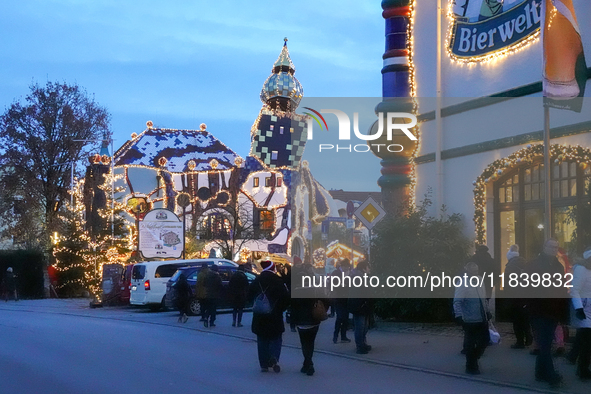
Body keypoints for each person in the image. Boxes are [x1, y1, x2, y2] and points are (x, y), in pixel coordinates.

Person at [525, 239, 569, 388]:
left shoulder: (557, 265)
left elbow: (561, 286)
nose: (553, 249)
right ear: (544, 247)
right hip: (538, 310)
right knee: (544, 343)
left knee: (547, 342)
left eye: (555, 247)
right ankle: (551, 375)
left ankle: (540, 373)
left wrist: (562, 307)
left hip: (553, 310)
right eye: (550, 246)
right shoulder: (534, 264)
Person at [249, 260, 290, 373]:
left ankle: (263, 364)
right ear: (273, 269)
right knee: (276, 338)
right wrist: (280, 309)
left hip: (259, 316)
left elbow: (249, 295)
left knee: (262, 340)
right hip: (274, 316)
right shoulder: (277, 281)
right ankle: (274, 357)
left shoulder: (257, 280)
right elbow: (285, 298)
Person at [453, 262, 491, 375]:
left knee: (485, 340)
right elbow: (457, 301)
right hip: (469, 319)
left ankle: (474, 359)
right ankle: (471, 365)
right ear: (468, 271)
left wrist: (487, 311)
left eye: (477, 270)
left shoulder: (480, 280)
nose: (475, 273)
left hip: (482, 317)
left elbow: (483, 298)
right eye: (473, 271)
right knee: (470, 343)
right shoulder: (463, 283)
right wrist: (459, 316)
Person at [291, 264, 329, 376]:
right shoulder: (315, 289)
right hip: (314, 320)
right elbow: (327, 300)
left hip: (301, 321)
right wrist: (322, 309)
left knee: (304, 343)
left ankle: (308, 363)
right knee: (311, 342)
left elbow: (292, 308)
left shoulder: (296, 291)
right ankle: (307, 363)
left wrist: (293, 322)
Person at [504, 244, 532, 349]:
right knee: (525, 318)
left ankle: (520, 341)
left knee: (516, 320)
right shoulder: (526, 263)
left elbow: (507, 284)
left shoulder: (510, 266)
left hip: (514, 296)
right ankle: (528, 337)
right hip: (525, 295)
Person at [570, 246, 591, 380]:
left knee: (584, 337)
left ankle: (573, 357)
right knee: (587, 340)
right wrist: (578, 308)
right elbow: (575, 290)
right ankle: (582, 369)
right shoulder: (582, 270)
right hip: (584, 308)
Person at [348, 260, 373, 354]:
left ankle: (362, 343)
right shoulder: (358, 278)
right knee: (360, 326)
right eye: (368, 267)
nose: (369, 269)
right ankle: (360, 346)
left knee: (364, 326)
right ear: (363, 268)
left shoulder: (361, 277)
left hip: (362, 305)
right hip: (359, 306)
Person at [331, 259, 352, 344]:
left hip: (345, 298)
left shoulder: (348, 274)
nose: (347, 269)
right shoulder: (336, 273)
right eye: (346, 267)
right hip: (338, 298)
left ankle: (343, 336)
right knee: (340, 317)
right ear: (343, 266)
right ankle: (335, 336)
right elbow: (335, 285)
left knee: (345, 318)